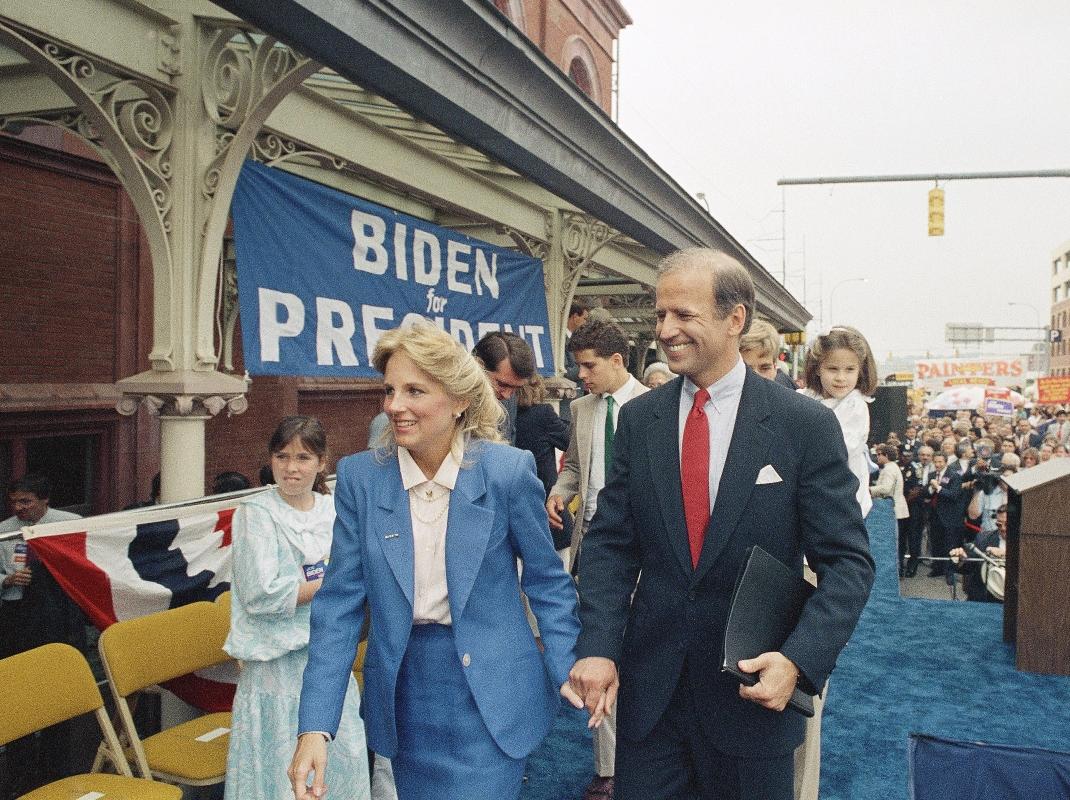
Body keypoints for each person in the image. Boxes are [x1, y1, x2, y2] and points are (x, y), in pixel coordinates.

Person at [567, 248, 875, 800]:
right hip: (651, 699)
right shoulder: (641, 420)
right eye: (661, 315)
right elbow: (612, 545)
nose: (665, 330)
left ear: (736, 319)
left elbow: (849, 562)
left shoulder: (803, 425)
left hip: (753, 696)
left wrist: (799, 660)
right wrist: (597, 644)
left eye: (683, 315)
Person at [289, 321, 580, 800]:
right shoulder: (362, 479)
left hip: (492, 696)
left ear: (460, 399)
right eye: (389, 390)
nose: (394, 406)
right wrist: (315, 727)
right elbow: (338, 607)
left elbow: (547, 582)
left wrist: (568, 664)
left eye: (414, 391)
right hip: (405, 697)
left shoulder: (506, 472)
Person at [224, 416, 369, 800]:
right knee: (278, 776)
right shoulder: (255, 513)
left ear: (322, 462)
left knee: (337, 768)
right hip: (277, 668)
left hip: (328, 658)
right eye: (282, 456)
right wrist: (333, 581)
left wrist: (340, 580)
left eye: (303, 457)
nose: (291, 467)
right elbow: (261, 593)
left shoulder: (335, 509)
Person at [545, 318, 648, 800]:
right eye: (577, 365)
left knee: (645, 656)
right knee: (598, 649)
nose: (581, 375)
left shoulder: (654, 408)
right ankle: (607, 769)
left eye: (588, 366)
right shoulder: (581, 408)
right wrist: (558, 492)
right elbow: (576, 468)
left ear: (616, 361)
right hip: (593, 551)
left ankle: (649, 757)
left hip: (646, 555)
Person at [799, 326, 879, 519]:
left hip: (845, 503)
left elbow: (837, 452)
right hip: (810, 497)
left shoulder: (856, 406)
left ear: (860, 370)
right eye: (832, 369)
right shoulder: (803, 397)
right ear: (818, 368)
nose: (841, 378)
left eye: (850, 370)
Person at [514, 374, 572, 554]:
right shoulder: (543, 414)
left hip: (515, 509)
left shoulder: (503, 415)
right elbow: (571, 441)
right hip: (546, 507)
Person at [472, 330, 537, 444]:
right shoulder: (447, 401)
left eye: (516, 389)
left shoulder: (509, 400)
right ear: (478, 366)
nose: (507, 395)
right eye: (502, 384)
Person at [870, 445, 909, 573]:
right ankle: (898, 569)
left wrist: (869, 490)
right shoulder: (891, 468)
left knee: (895, 543)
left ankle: (896, 569)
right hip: (897, 509)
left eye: (879, 454)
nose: (877, 457)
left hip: (894, 510)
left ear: (886, 455)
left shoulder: (889, 469)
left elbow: (886, 488)